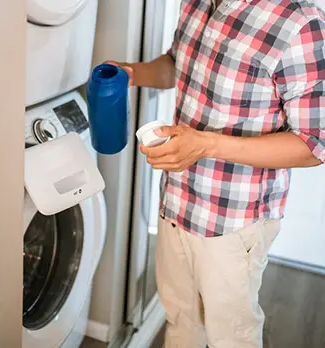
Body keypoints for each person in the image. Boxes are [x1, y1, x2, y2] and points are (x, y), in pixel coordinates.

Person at [109, 0, 325, 347]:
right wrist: (133, 73)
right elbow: (175, 65)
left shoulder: (299, 22)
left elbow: (313, 145)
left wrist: (206, 145)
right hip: (177, 201)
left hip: (235, 221)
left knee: (232, 337)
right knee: (180, 320)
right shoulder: (195, 2)